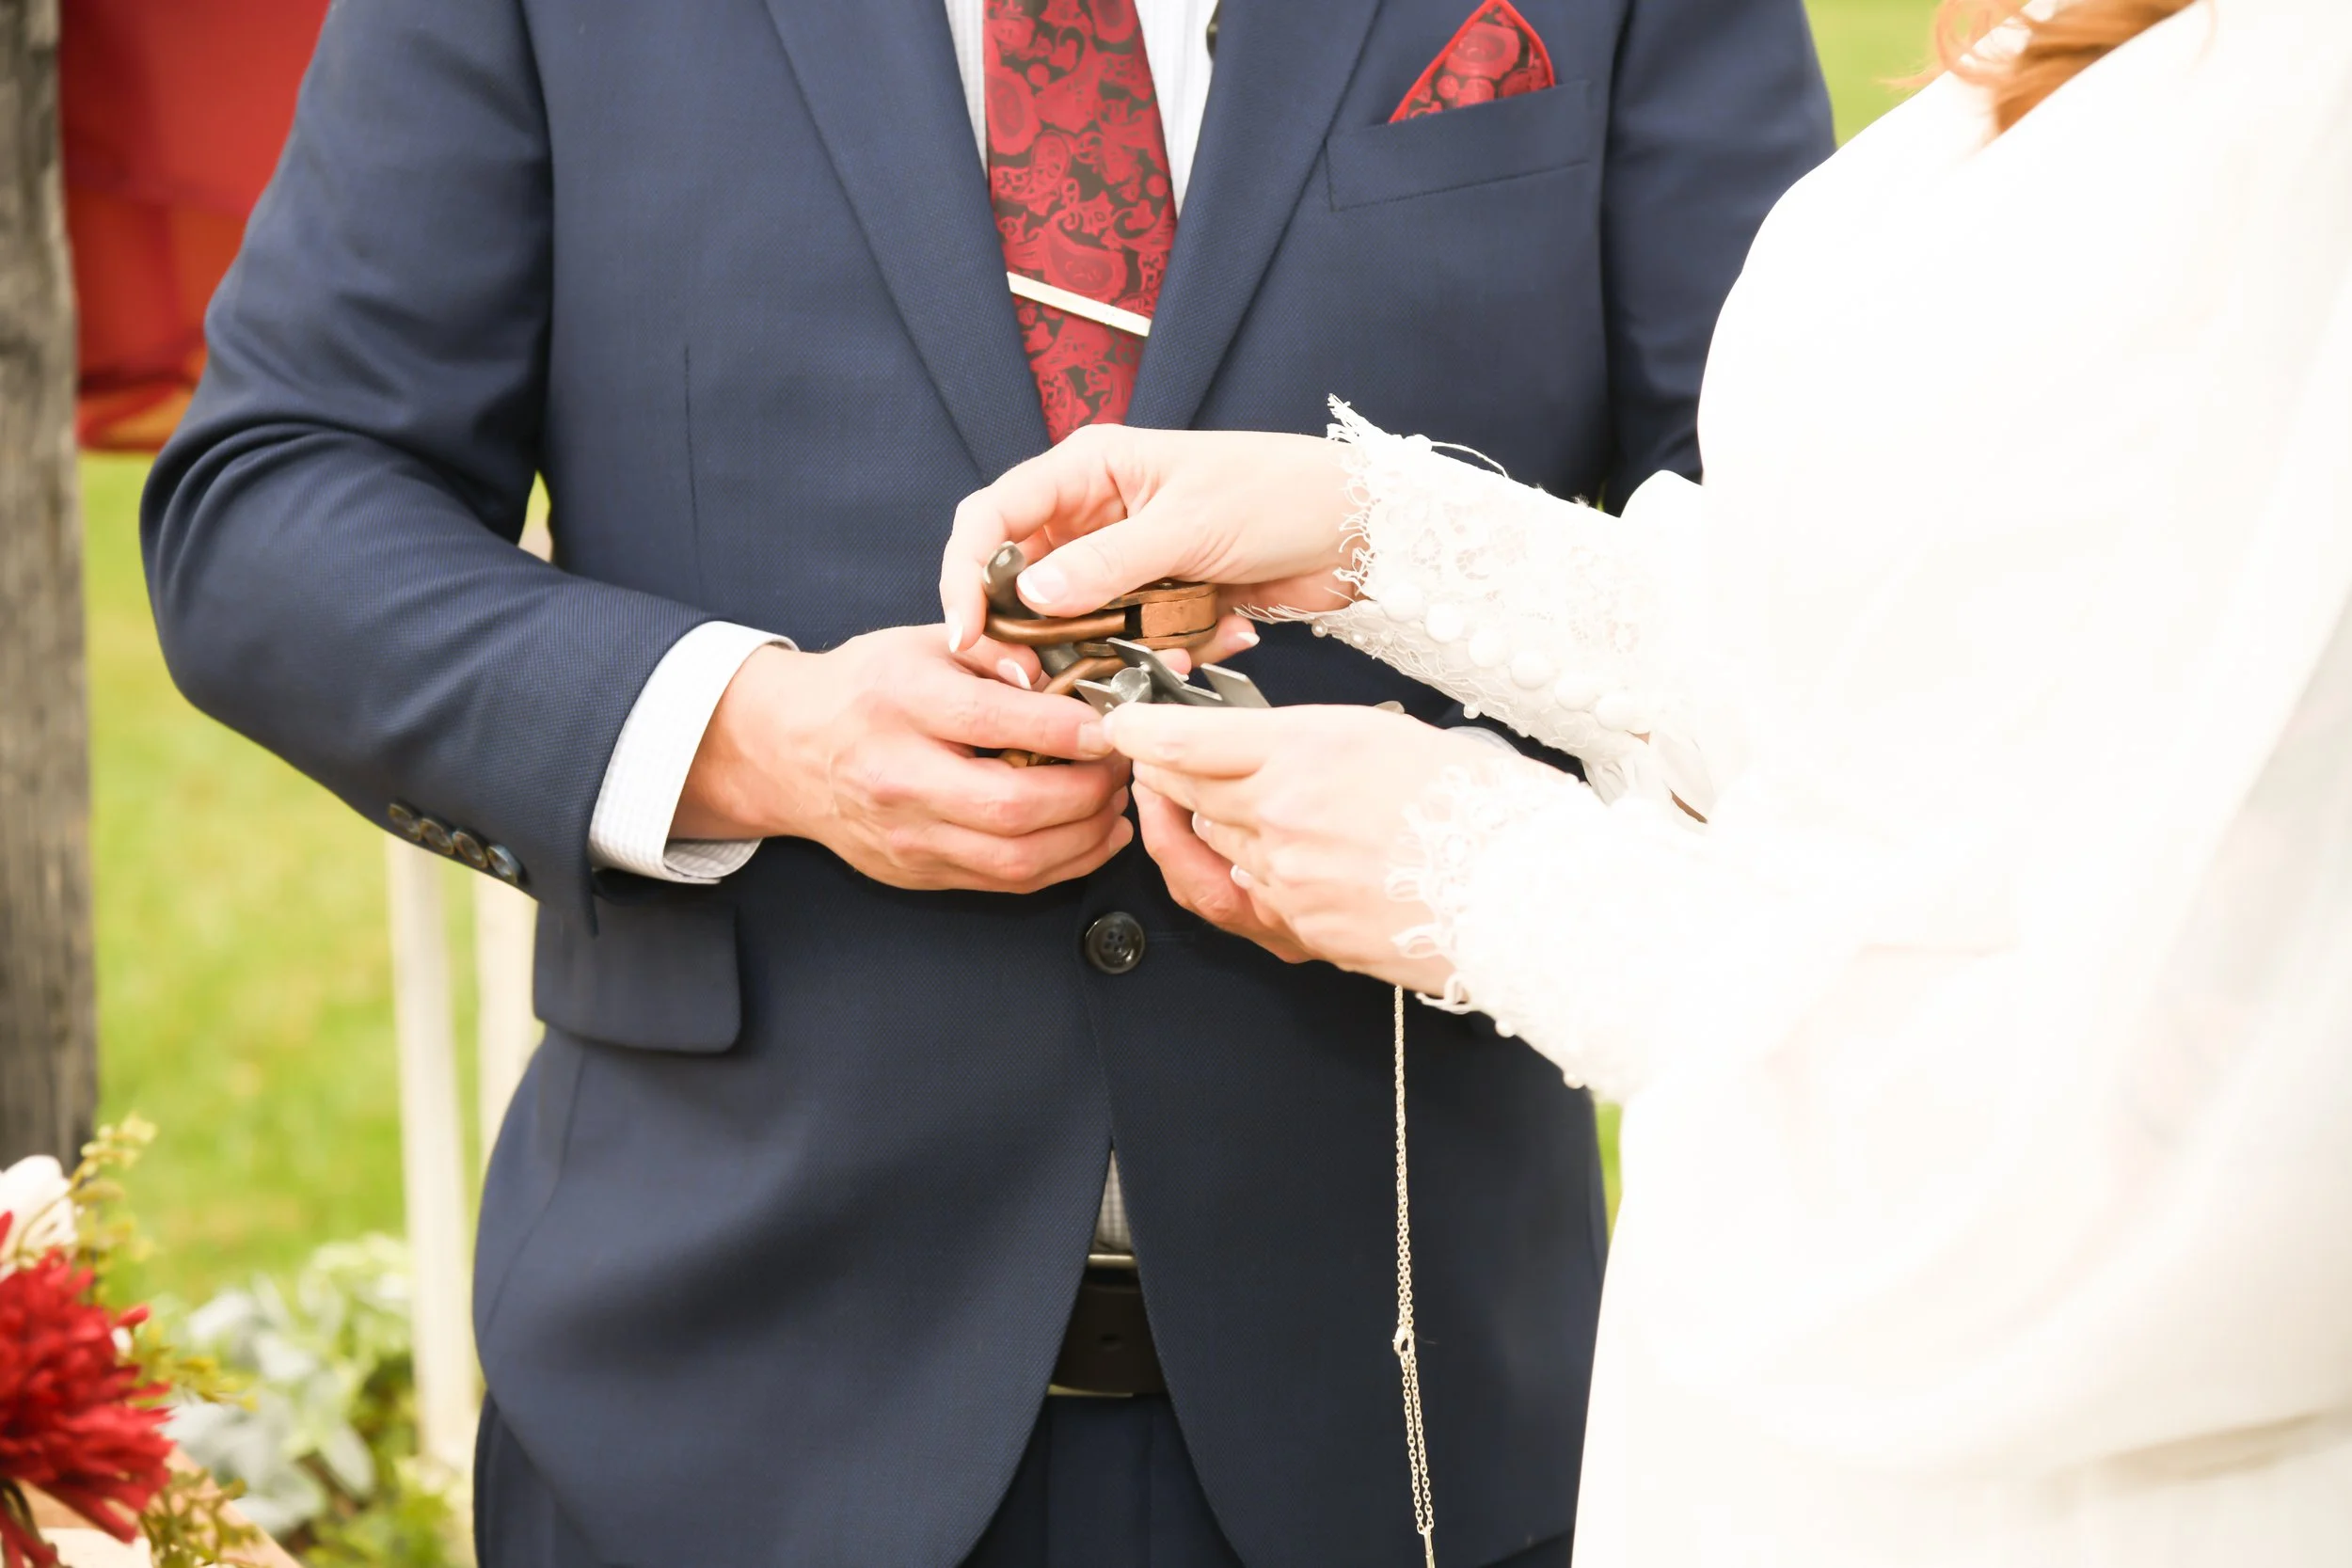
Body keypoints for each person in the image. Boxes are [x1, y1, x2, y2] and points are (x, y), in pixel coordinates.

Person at [139, 0, 1832, 1562]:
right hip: (722, 1425)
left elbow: (1823, 579)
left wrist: (1479, 832)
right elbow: (276, 505)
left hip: (1414, 1418)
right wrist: (749, 734)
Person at [940, 0, 2352, 1560]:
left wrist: (1486, 879)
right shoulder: (2074, 54)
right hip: (1744, 1424)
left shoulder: (2311, 127)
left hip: (2061, 1456)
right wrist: (1367, 533)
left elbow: (2232, 1092)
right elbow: (1873, 672)